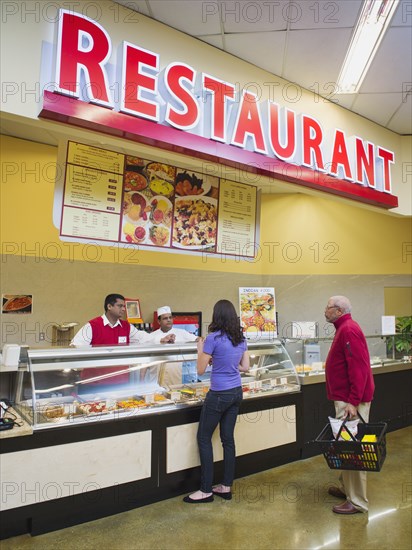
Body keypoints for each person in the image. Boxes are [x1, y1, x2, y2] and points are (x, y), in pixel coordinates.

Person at [183, 299, 249, 503]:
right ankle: (226, 486)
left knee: (204, 438)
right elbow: (245, 367)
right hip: (236, 392)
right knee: (227, 439)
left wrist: (200, 350)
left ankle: (205, 490)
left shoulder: (212, 339)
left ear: (216, 316)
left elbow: (200, 370)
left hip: (219, 394)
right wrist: (223, 362)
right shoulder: (241, 338)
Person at [324, 295, 375, 514]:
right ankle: (347, 489)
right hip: (346, 399)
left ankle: (357, 502)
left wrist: (353, 401)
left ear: (338, 311)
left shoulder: (348, 330)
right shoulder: (343, 328)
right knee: (345, 446)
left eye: (327, 307)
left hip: (351, 402)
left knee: (354, 449)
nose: (324, 311)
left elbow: (359, 368)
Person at [71, 293, 152, 389]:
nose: (123, 309)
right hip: (94, 383)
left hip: (120, 383)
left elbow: (144, 338)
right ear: (109, 306)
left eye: (124, 306)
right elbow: (76, 346)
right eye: (120, 306)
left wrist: (161, 339)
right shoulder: (92, 326)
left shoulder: (126, 326)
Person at [148, 306, 200, 386]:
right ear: (159, 321)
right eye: (165, 318)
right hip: (155, 380)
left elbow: (198, 339)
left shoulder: (182, 333)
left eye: (170, 317)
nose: (168, 320)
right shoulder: (151, 336)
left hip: (175, 378)